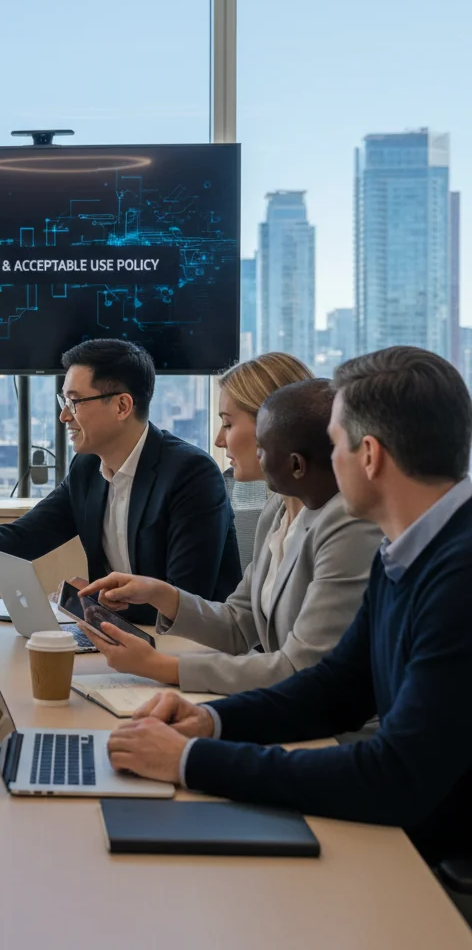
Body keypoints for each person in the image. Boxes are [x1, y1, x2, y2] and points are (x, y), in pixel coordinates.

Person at [105, 346, 472, 865]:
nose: (324, 456)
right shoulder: (408, 549)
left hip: (439, 867)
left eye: (335, 442)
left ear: (369, 456)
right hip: (409, 832)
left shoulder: (457, 576)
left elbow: (396, 775)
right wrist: (211, 724)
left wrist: (192, 761)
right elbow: (334, 689)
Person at [0, 339, 241, 623]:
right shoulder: (87, 469)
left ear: (122, 406)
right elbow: (23, 537)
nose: (63, 415)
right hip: (118, 641)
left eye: (74, 401)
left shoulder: (190, 474)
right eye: (63, 400)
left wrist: (90, 600)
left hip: (187, 652)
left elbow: (188, 601)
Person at [79, 378, 382, 694]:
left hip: (333, 724)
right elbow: (239, 623)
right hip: (287, 703)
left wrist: (160, 667)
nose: (219, 441)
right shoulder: (277, 511)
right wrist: (158, 593)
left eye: (229, 424)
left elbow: (300, 667)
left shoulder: (348, 524)